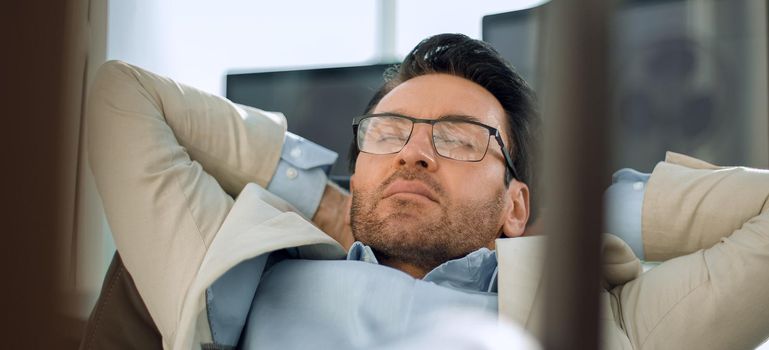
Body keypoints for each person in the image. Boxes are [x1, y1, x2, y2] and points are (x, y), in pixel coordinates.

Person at [80, 34, 769, 350]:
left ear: (517, 202)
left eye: (459, 138)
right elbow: (122, 96)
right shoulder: (234, 264)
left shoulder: (602, 320)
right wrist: (325, 203)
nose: (412, 149)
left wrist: (576, 207)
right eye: (388, 132)